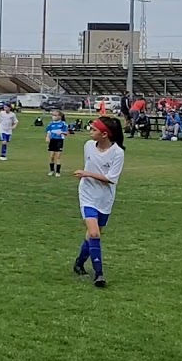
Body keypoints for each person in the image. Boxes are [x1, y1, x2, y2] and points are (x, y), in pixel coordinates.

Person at [72, 116, 126, 288]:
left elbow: (111, 179)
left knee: (92, 235)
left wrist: (87, 174)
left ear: (104, 134)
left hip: (105, 198)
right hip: (87, 194)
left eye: (94, 130)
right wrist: (86, 177)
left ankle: (79, 263)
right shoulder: (88, 145)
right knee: (94, 233)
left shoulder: (117, 152)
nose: (90, 132)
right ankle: (99, 274)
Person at [45, 109, 68, 176]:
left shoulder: (63, 124)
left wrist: (62, 132)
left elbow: (66, 132)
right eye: (52, 115)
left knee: (58, 156)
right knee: (52, 156)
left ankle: (58, 172)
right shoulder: (51, 124)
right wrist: (47, 137)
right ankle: (51, 170)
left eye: (55, 115)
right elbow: (48, 131)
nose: (53, 116)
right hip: (52, 140)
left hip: (59, 140)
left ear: (59, 116)